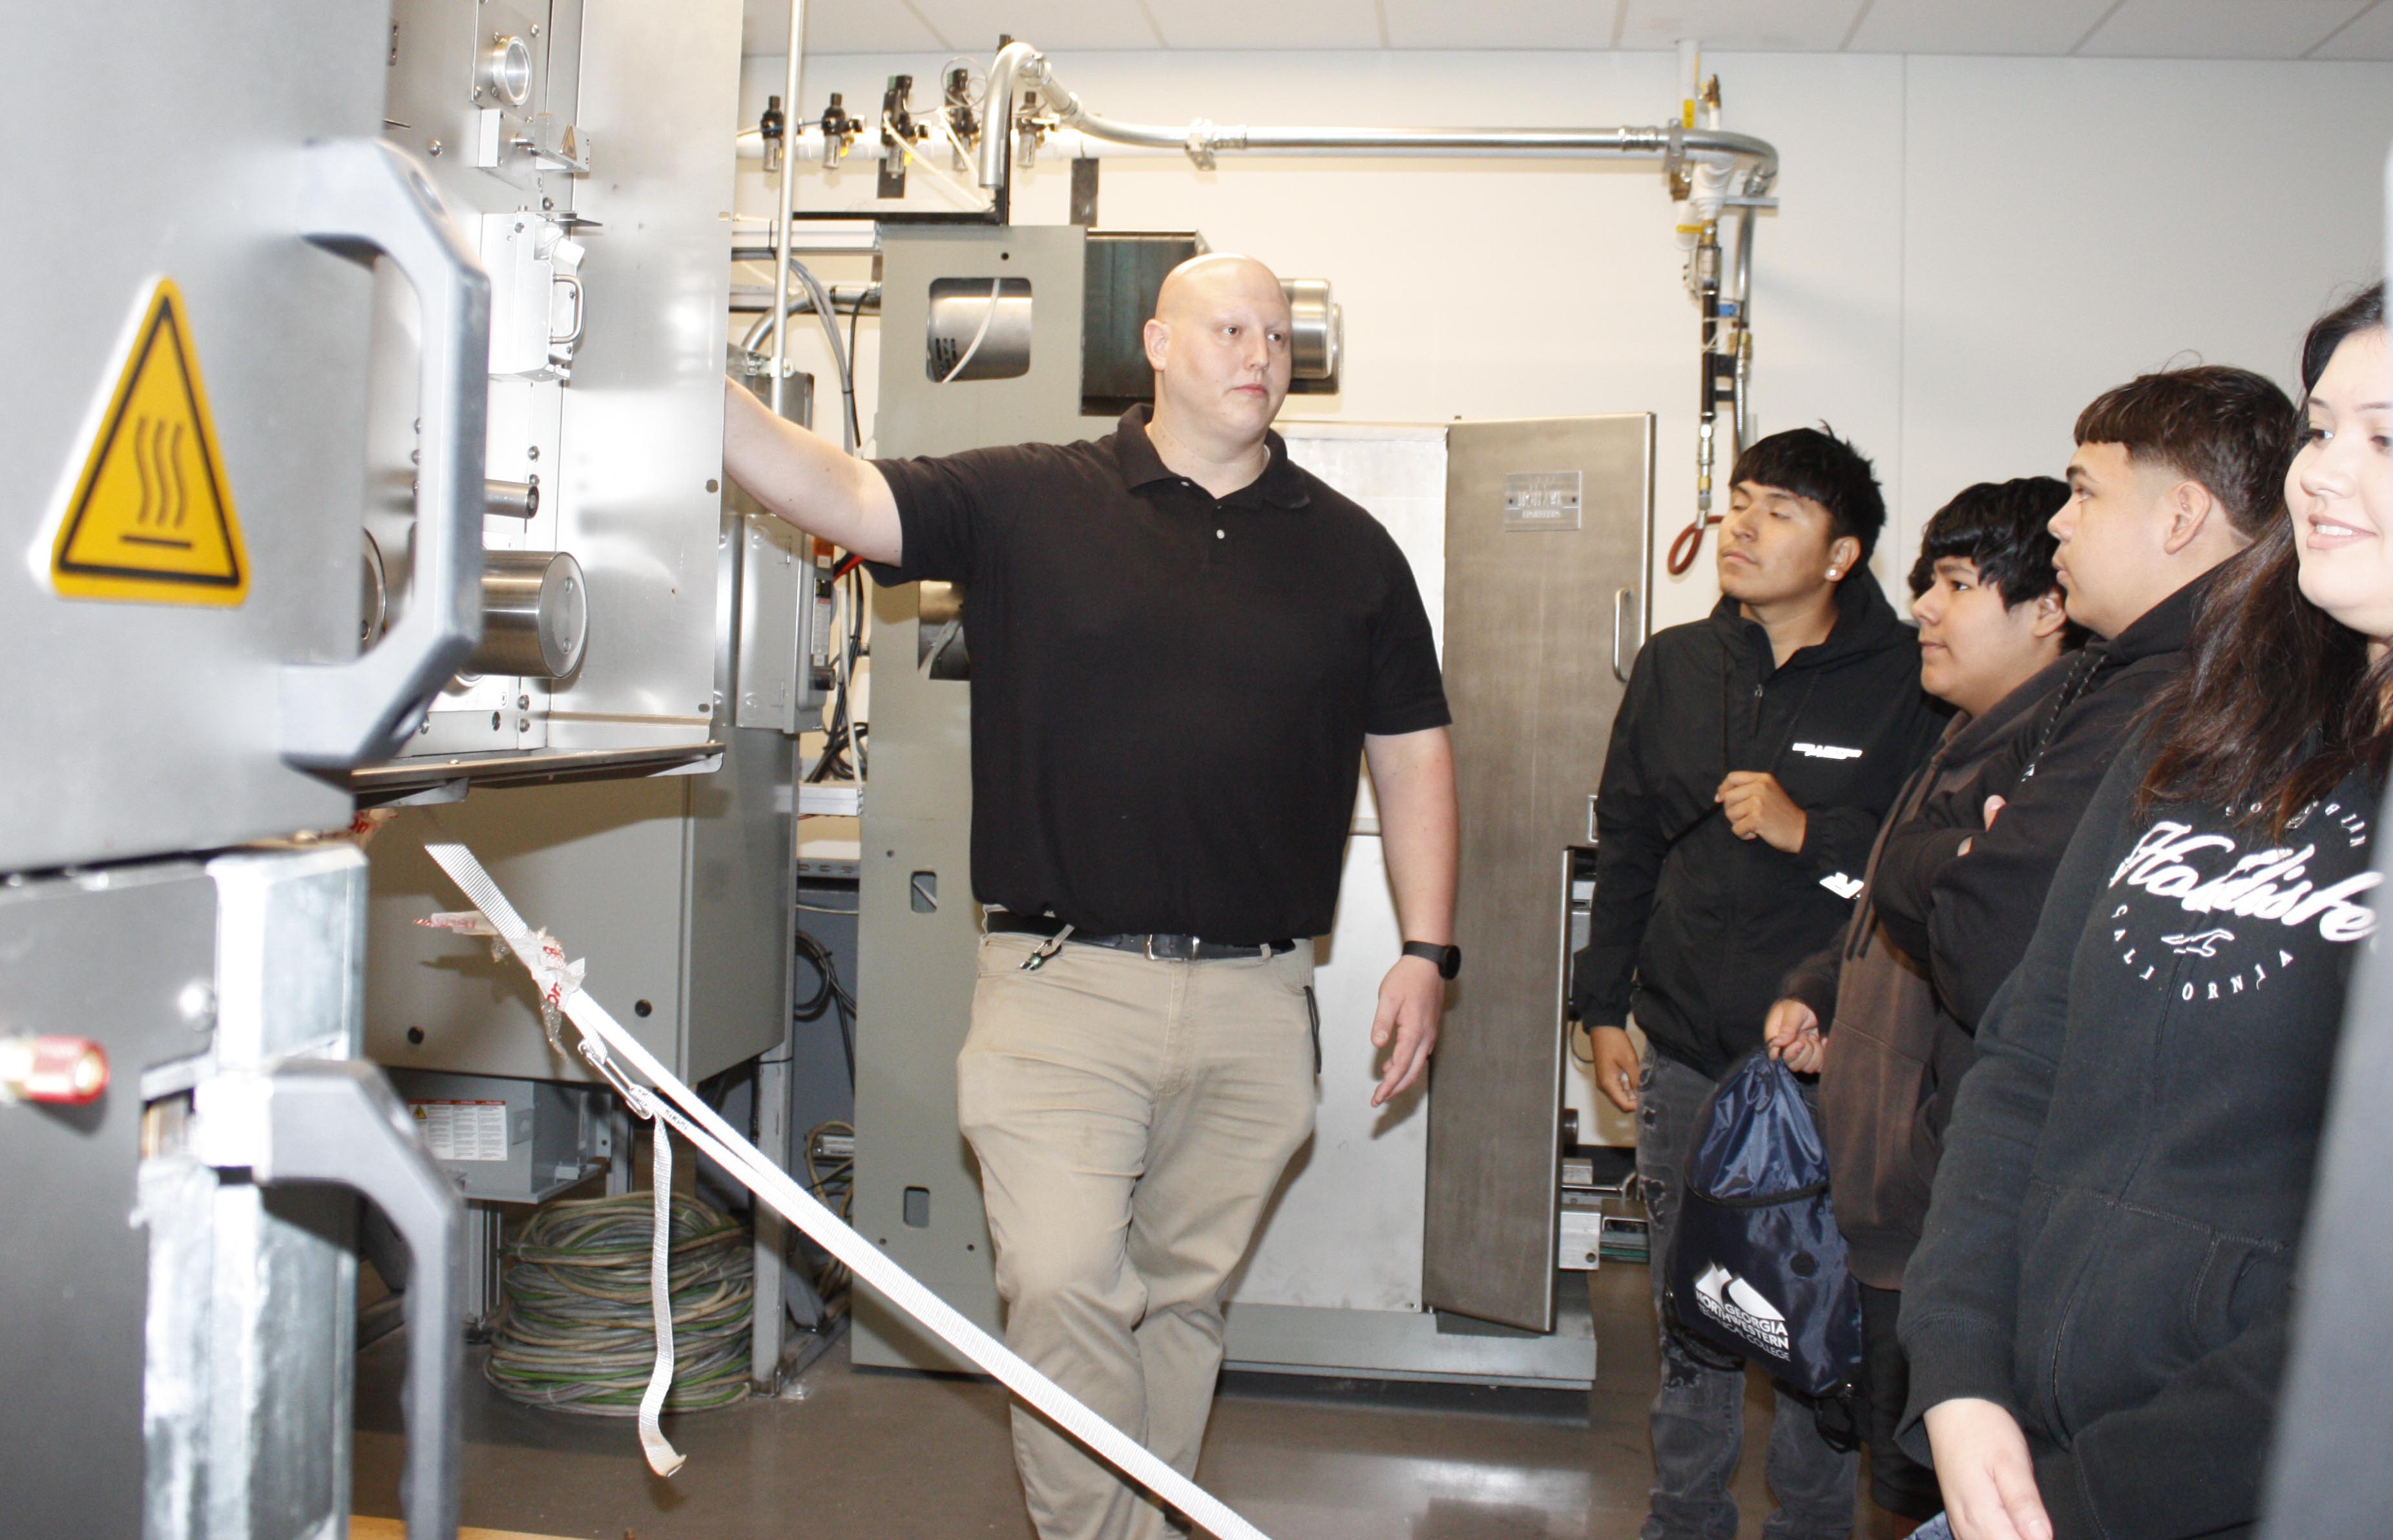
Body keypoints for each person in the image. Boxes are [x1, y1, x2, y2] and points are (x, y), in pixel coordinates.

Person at [721, 254, 1459, 1540]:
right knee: (1061, 1282)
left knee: (1182, 1303)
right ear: (1157, 346)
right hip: (1063, 985)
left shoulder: (1350, 552)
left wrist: (1427, 949)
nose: (1260, 353)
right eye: (1230, 327)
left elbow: (1413, 749)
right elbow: (836, 487)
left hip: (1255, 994)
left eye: (1279, 336)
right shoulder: (1031, 498)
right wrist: (682, 365)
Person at [1901, 285, 2390, 1540]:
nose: (2325, 477)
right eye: (2321, 431)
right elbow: (2025, 1051)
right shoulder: (2210, 724)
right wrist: (1957, 1372)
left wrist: (2090, 1499)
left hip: (2261, 1484)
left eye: (2382, 439)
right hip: (2019, 1447)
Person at [1573, 426, 1948, 1540]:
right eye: (1737, 501)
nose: (1739, 527)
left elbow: (1916, 867)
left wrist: (1808, 832)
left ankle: (1806, 1525)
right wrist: (1600, 1006)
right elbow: (1626, 837)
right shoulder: (1676, 665)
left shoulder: (1909, 679)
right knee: (1694, 1308)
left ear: (1840, 553)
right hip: (1686, 1038)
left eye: (1775, 509)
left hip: (1832, 1059)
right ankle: (1678, 1518)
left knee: (1810, 1317)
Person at [1762, 479, 2080, 1532]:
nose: (1924, 611)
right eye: (1924, 584)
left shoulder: (2048, 759)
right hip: (1892, 1205)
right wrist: (1820, 984)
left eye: (1953, 583)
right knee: (1895, 1479)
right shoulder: (1960, 736)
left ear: (2045, 607)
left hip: (1938, 1210)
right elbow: (1885, 921)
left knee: (1929, 1490)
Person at [1871, 366, 2295, 1036]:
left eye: (2083, 494)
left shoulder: (2189, 695)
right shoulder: (2102, 673)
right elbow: (1904, 851)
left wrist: (1971, 859)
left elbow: (1985, 954)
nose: (2058, 523)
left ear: (2180, 515)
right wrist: (1962, 856)